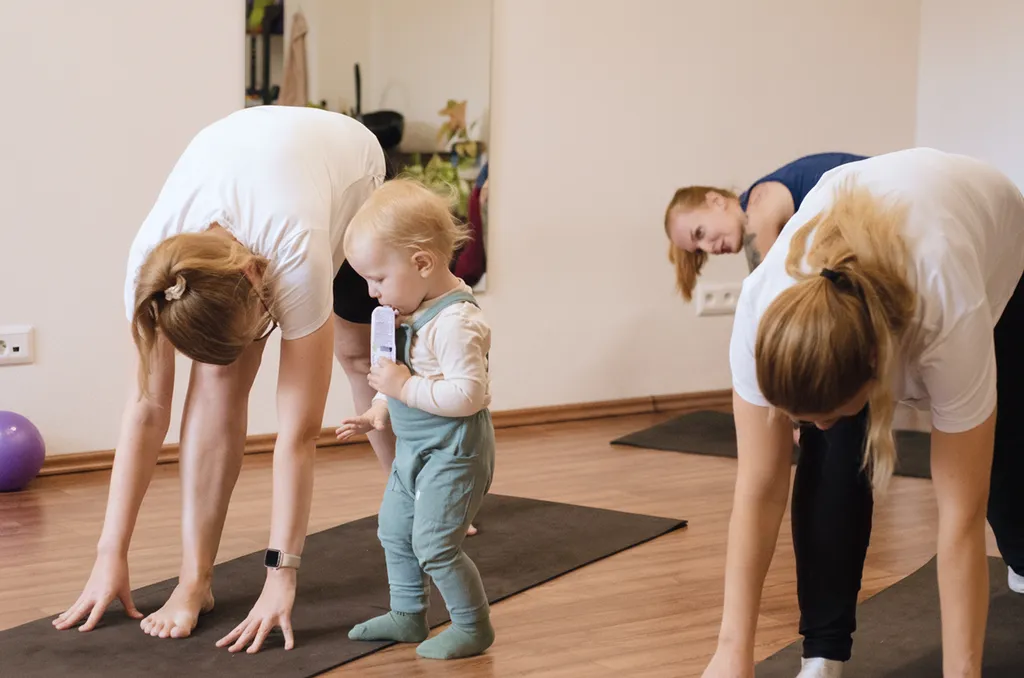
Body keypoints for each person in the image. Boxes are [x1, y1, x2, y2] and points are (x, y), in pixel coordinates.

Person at [52, 105, 393, 653]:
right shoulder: (153, 274)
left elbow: (298, 434)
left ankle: (416, 501)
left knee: (358, 358)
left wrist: (281, 573)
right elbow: (146, 410)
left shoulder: (294, 249)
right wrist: (109, 554)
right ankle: (195, 580)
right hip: (259, 163)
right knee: (220, 379)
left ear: (256, 277)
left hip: (350, 166)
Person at [702, 148, 1024, 678]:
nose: (816, 426)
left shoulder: (947, 310)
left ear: (876, 368)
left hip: (997, 236)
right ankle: (823, 654)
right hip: (886, 243)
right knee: (832, 457)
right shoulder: (762, 309)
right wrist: (731, 650)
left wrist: (963, 671)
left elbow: (959, 518)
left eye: (827, 412)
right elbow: (758, 487)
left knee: (1004, 445)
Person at [337, 179, 496, 659]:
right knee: (393, 529)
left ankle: (472, 626)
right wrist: (378, 410)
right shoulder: (411, 310)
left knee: (435, 545)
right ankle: (407, 614)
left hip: (454, 452)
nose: (371, 293)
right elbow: (400, 377)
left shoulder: (456, 323)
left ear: (422, 263)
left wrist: (402, 387)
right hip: (413, 449)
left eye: (377, 279)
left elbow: (468, 395)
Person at [664, 152, 867, 300]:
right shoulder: (758, 202)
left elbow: (768, 302)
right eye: (699, 250)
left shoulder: (757, 215)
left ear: (716, 201)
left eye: (700, 233)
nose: (708, 248)